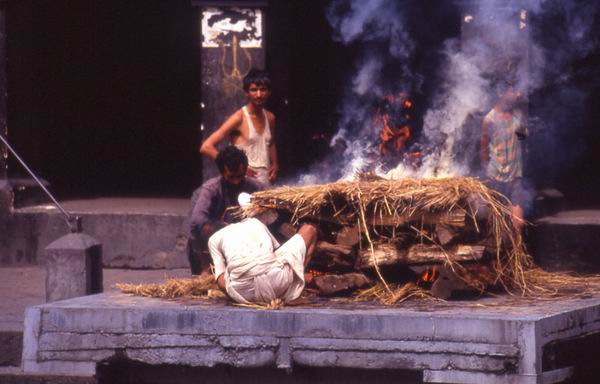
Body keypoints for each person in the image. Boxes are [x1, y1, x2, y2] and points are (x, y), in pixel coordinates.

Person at [188, 146, 264, 276]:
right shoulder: (211, 189)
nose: (236, 182)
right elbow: (196, 220)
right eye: (231, 177)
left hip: (246, 243)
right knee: (203, 227)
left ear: (246, 170)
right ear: (222, 173)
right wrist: (227, 228)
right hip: (216, 239)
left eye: (240, 176)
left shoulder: (256, 187)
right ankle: (205, 270)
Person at [208, 215, 318, 305]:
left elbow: (221, 282)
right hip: (279, 283)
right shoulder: (255, 223)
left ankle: (285, 292)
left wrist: (237, 295)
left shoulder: (213, 239)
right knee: (310, 229)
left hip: (244, 295)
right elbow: (275, 253)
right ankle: (294, 293)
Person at [200, 69, 279, 185]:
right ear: (247, 93)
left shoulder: (270, 117)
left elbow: (271, 142)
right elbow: (206, 147)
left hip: (264, 183)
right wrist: (234, 166)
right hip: (241, 182)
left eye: (262, 90)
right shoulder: (239, 117)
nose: (258, 94)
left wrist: (275, 163)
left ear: (269, 92)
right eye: (254, 90)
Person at [480, 85, 528, 234]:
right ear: (501, 92)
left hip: (515, 173)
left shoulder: (517, 116)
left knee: (518, 222)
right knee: (497, 217)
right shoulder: (489, 119)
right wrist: (485, 170)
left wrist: (524, 132)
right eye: (512, 91)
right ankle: (499, 253)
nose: (517, 94)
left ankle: (518, 252)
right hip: (496, 174)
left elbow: (522, 138)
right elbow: (484, 147)